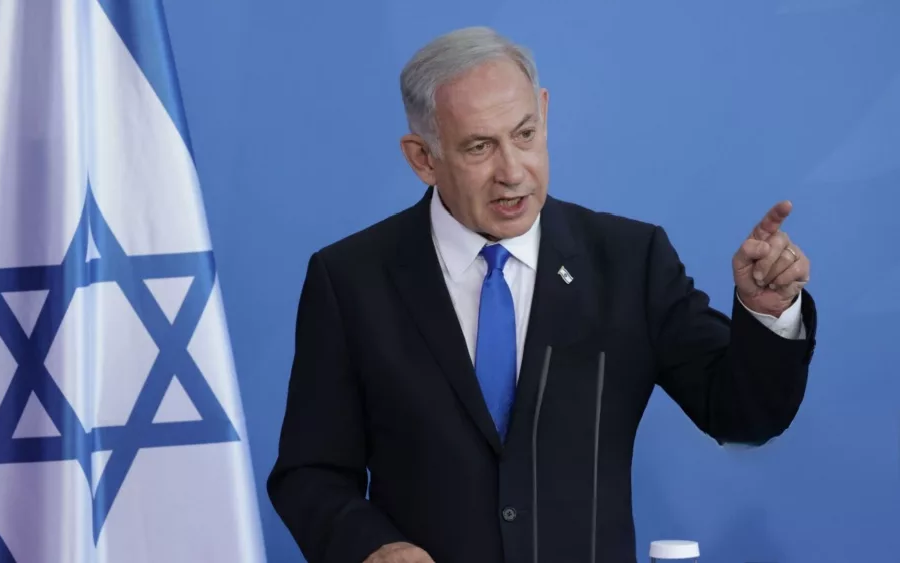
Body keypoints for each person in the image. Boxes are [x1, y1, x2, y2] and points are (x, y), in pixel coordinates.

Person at [267, 26, 817, 563]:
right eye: (480, 147)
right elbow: (310, 472)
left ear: (545, 112)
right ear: (423, 158)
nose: (513, 172)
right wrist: (373, 549)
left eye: (525, 135)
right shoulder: (351, 279)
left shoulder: (630, 261)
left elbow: (744, 418)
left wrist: (767, 314)